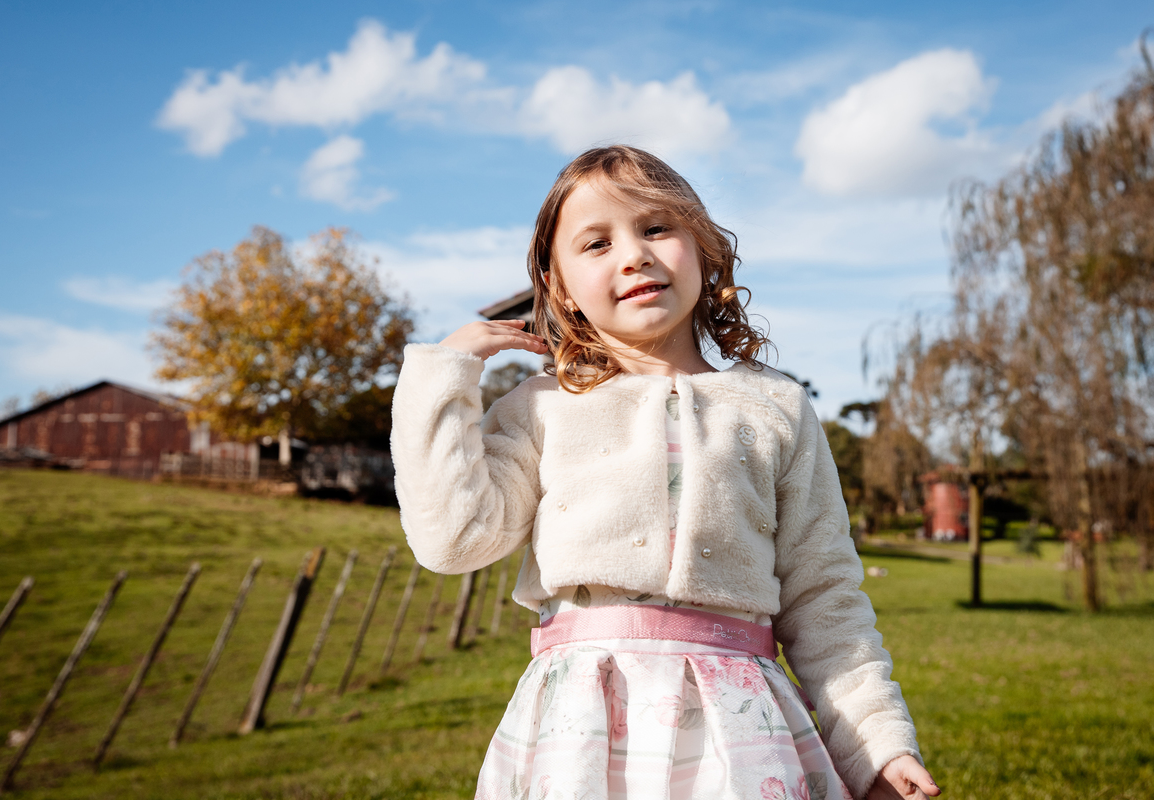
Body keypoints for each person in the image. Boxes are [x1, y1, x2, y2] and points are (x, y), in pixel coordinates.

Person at [391, 145, 940, 800]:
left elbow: (825, 594)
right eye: (596, 243)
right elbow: (453, 542)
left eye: (656, 228)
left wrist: (876, 746)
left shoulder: (776, 408)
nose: (634, 255)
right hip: (581, 735)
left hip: (742, 733)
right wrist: (442, 376)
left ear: (703, 246)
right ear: (559, 284)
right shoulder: (539, 409)